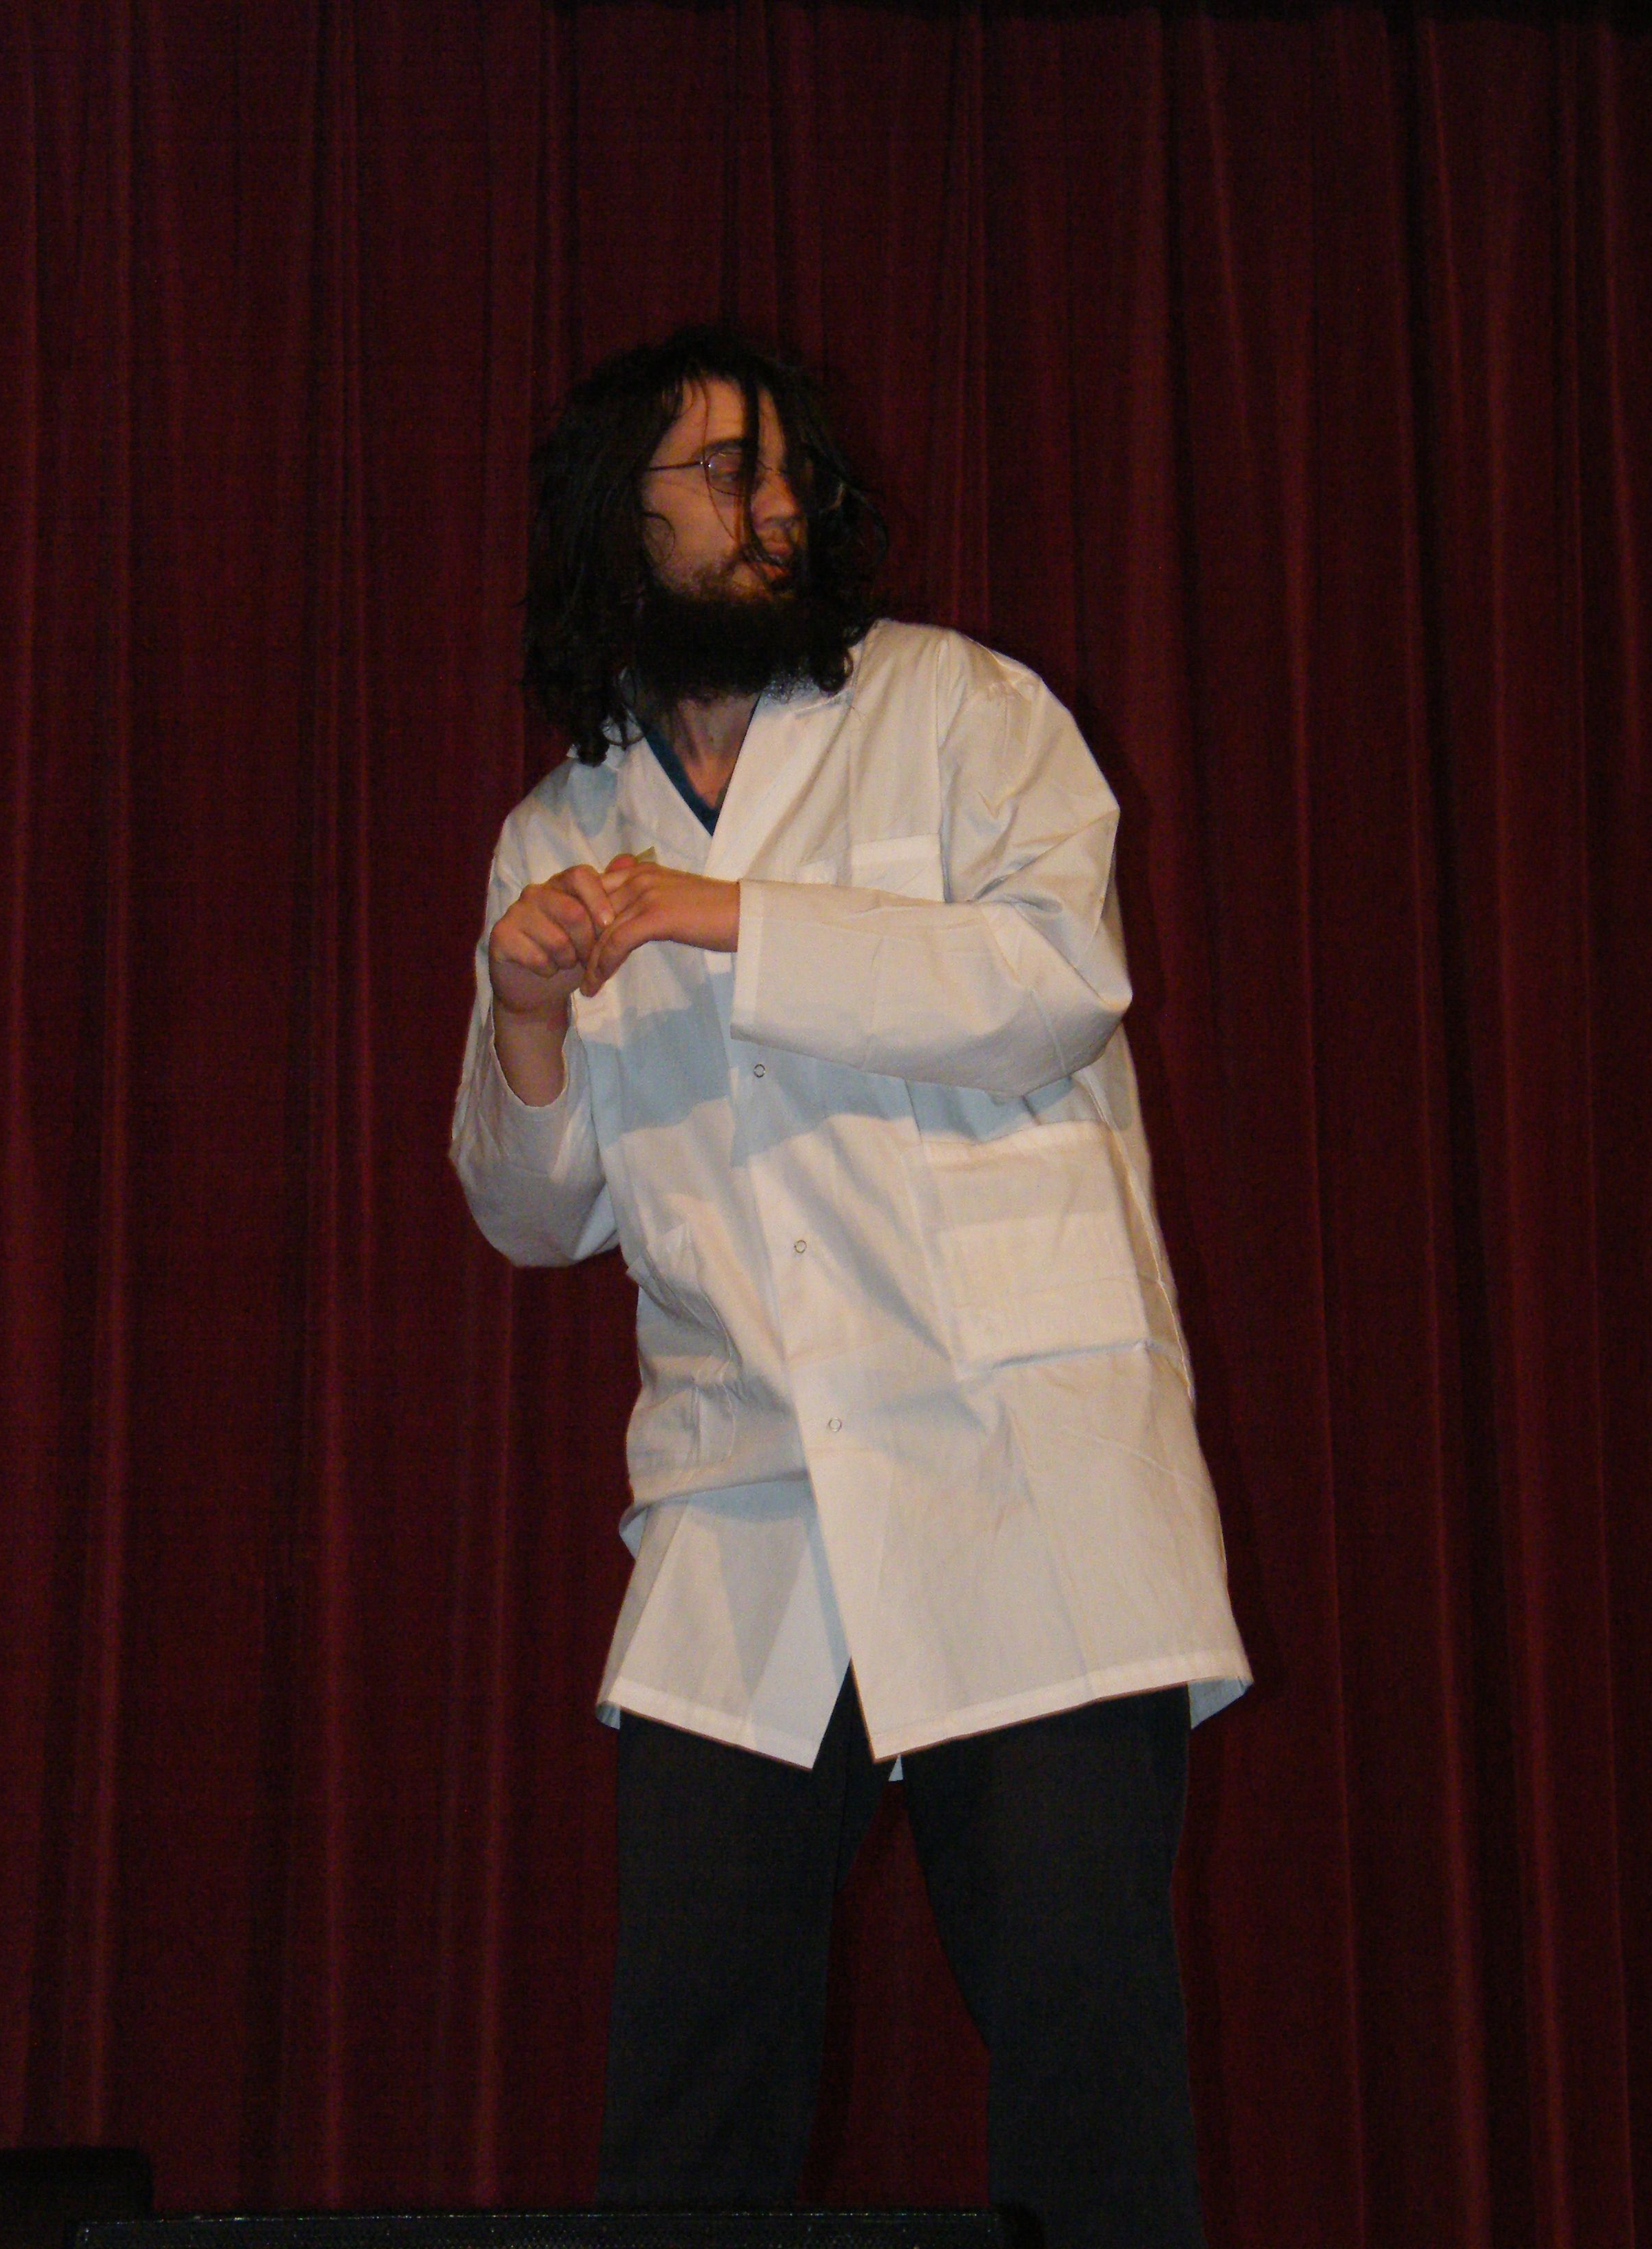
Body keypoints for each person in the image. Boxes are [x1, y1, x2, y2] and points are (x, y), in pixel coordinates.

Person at [451, 326, 1249, 2249]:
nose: (778, 505)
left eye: (791, 469)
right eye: (726, 471)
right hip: (745, 1504)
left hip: (1020, 1480)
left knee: (1086, 2086)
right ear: (618, 515)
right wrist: (525, 1013)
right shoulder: (560, 830)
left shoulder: (963, 710)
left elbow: (1051, 983)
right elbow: (534, 1213)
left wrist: (721, 917)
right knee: (686, 2106)